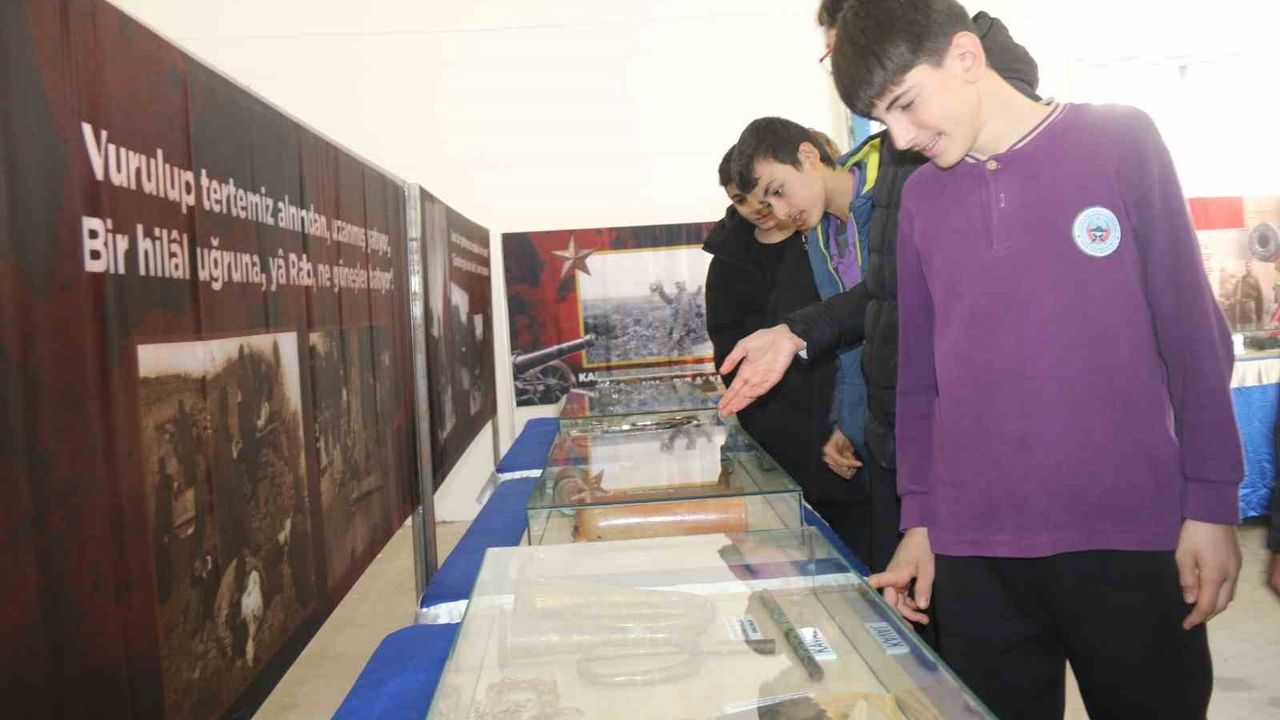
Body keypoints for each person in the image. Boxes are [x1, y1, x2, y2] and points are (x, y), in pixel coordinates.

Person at [821, 1, 1241, 718]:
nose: (901, 136)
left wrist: (1211, 503)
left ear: (965, 57)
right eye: (881, 119)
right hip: (976, 554)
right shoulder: (921, 199)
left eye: (906, 104)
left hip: (1130, 534)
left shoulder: (1121, 142)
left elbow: (1192, 335)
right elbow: (919, 380)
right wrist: (921, 520)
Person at [719, 9, 1041, 575]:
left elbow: (901, 302)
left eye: (779, 190)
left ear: (809, 156)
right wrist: (851, 423)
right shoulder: (819, 235)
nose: (780, 211)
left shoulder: (903, 180)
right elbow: (862, 340)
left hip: (966, 434)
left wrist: (796, 333)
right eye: (763, 205)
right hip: (893, 441)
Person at [703, 146, 868, 553]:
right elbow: (729, 355)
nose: (759, 207)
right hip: (774, 438)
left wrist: (847, 418)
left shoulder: (825, 237)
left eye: (769, 193)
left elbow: (854, 325)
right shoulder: (728, 261)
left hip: (844, 424)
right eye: (741, 200)